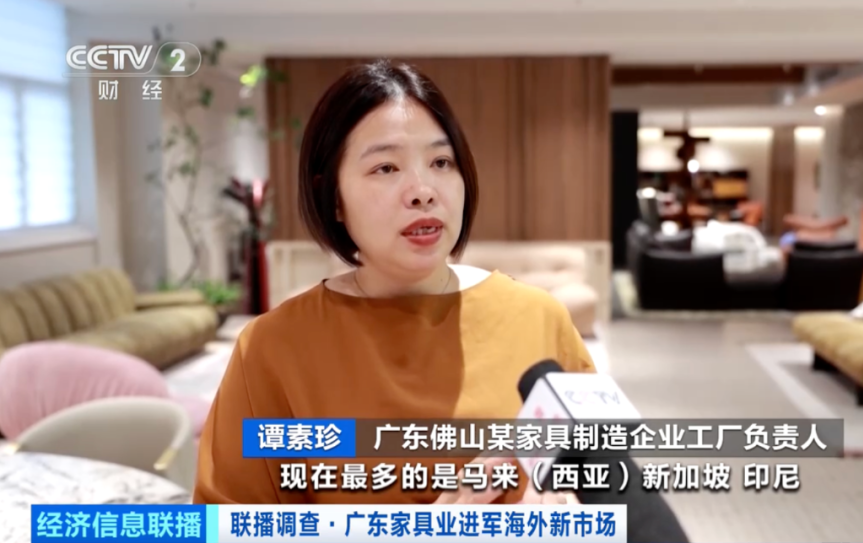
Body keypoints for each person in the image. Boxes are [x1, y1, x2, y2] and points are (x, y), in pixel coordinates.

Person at [192, 60, 595, 505]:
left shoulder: (538, 320)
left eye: (441, 162)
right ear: (333, 198)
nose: (423, 190)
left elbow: (609, 494)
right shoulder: (273, 347)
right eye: (386, 168)